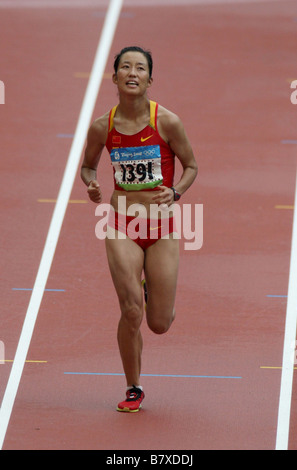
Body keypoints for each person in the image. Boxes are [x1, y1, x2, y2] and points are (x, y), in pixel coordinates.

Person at [81, 46, 197, 412]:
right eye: (125, 67)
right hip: (121, 224)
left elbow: (192, 165)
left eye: (140, 68)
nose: (133, 72)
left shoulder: (167, 122)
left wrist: (176, 191)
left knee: (159, 323)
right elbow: (87, 167)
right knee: (131, 310)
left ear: (150, 78)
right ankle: (133, 386)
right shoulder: (102, 126)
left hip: (161, 227)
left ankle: (153, 292)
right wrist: (92, 185)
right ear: (114, 77)